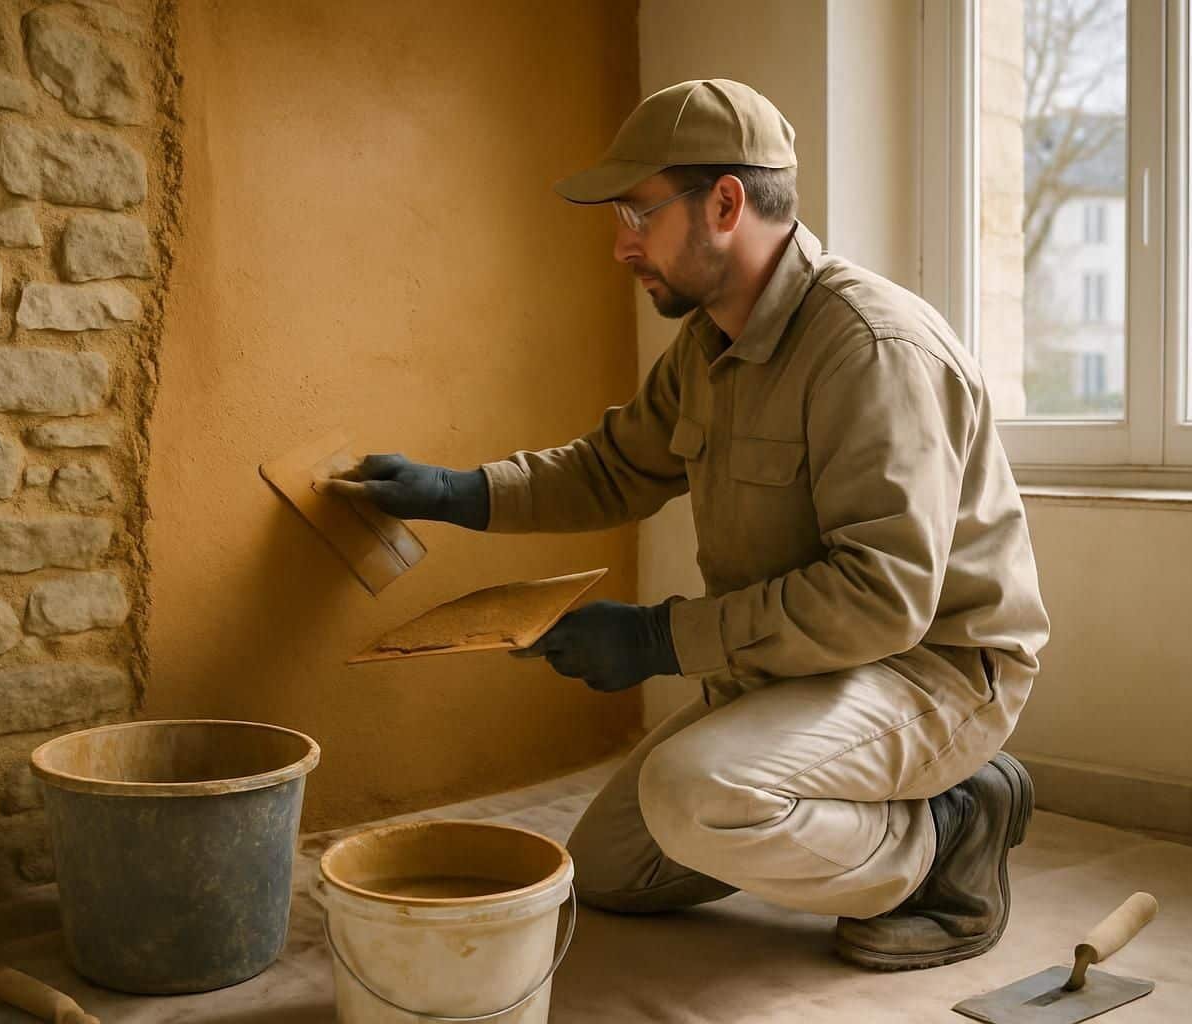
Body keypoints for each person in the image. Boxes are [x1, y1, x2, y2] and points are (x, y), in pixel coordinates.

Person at [323, 79, 1050, 970]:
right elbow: (614, 468)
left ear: (726, 203)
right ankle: (877, 809)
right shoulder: (710, 343)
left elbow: (883, 602)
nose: (622, 244)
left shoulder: (870, 349)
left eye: (638, 211)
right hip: (806, 663)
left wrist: (659, 639)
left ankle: (948, 834)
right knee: (612, 869)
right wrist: (459, 492)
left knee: (693, 794)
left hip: (929, 670)